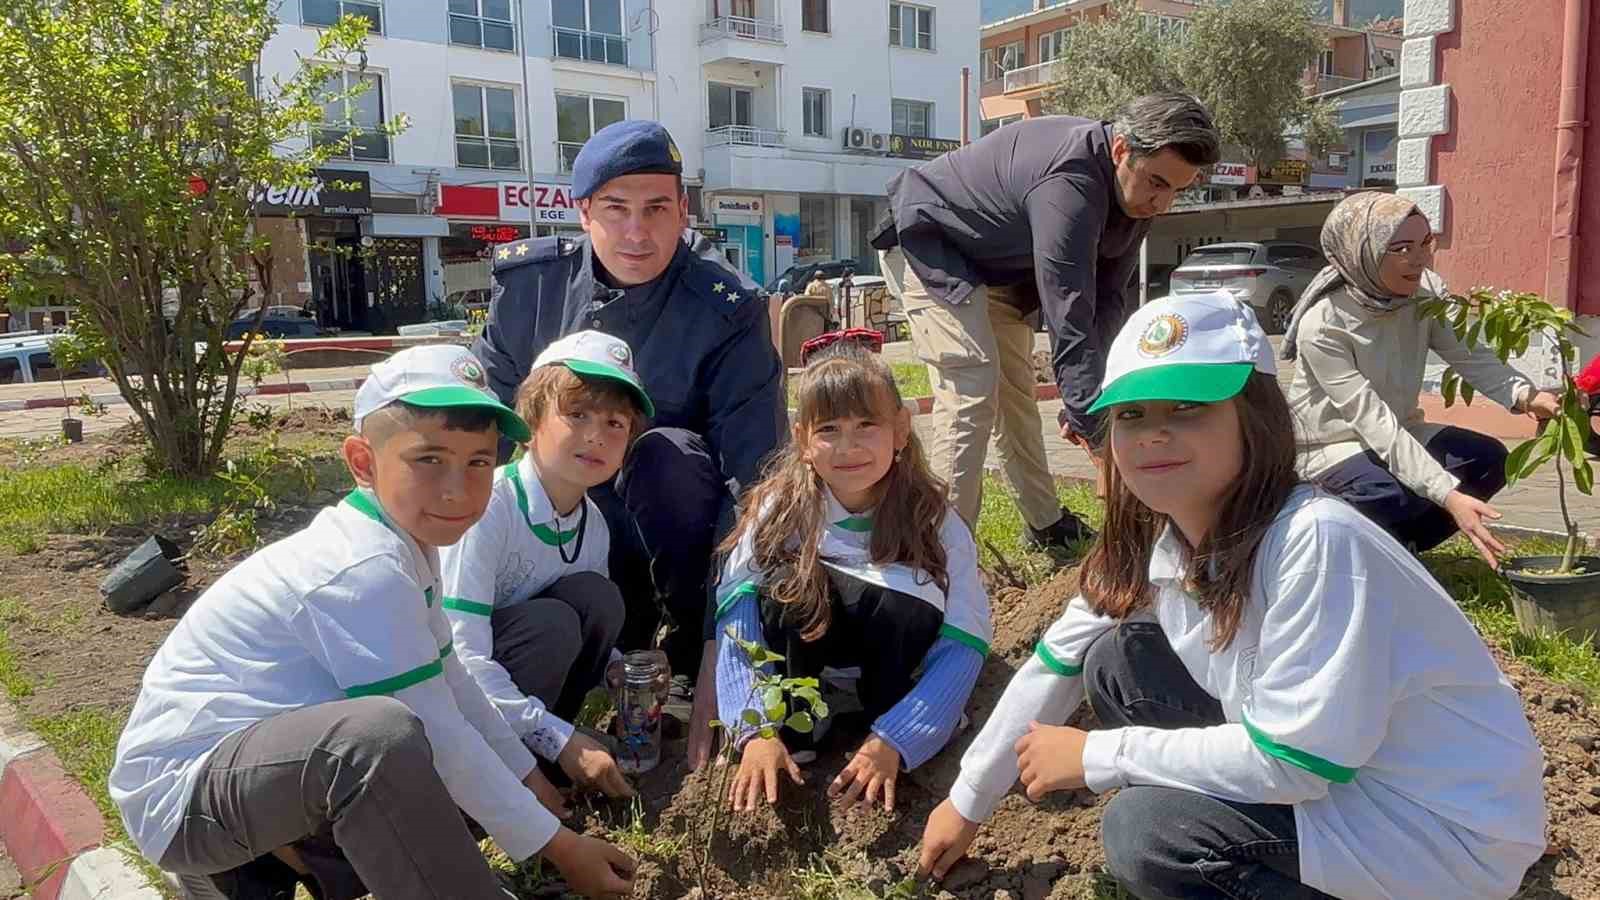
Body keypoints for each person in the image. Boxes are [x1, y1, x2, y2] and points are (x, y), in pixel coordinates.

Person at [917, 293, 1546, 900]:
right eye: (1132, 414)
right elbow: (1053, 664)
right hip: (1344, 770)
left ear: (1257, 417)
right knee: (1116, 664)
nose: (1153, 435)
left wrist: (1100, 755)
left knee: (1148, 831)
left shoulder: (1316, 541)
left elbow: (1299, 763)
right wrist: (966, 800)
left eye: (1188, 407)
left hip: (1439, 831)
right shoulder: (1163, 534)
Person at [109, 345, 636, 900]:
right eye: (429, 459)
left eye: (478, 461)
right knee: (378, 739)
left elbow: (455, 681)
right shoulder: (363, 565)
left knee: (402, 746)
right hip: (185, 799)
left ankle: (297, 861)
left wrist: (528, 785)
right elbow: (438, 728)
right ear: (363, 462)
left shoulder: (408, 544)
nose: (457, 488)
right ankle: (254, 863)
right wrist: (559, 847)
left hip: (261, 767)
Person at [472, 120, 785, 769]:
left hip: (669, 544)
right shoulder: (532, 288)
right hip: (544, 548)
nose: (638, 233)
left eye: (657, 209)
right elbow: (476, 425)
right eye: (616, 210)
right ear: (583, 211)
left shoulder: (725, 309)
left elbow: (753, 485)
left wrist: (721, 651)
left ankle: (661, 648)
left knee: (664, 453)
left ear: (683, 210)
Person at [872, 93, 1221, 549]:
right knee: (974, 378)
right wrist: (1098, 439)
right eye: (1157, 183)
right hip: (928, 239)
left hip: (995, 265)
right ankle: (940, 547)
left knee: (1015, 388)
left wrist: (1097, 401)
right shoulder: (1070, 184)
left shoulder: (1134, 197)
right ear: (1121, 151)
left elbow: (1107, 304)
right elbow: (1070, 316)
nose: (1163, 202)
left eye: (1178, 189)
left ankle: (1045, 524)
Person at [714, 343, 991, 813]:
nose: (849, 447)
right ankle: (797, 728)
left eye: (867, 426)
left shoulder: (935, 521)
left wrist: (900, 737)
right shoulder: (778, 511)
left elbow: (965, 640)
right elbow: (737, 616)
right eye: (829, 430)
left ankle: (880, 723)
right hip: (803, 669)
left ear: (900, 429)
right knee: (785, 587)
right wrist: (753, 727)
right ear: (802, 439)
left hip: (896, 679)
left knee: (908, 597)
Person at [1281, 193, 1561, 567]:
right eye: (1400, 248)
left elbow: (1468, 354)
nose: (1419, 259)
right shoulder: (1324, 324)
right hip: (1331, 446)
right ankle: (1339, 550)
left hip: (1402, 427)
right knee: (1388, 492)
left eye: (1425, 243)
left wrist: (1526, 395)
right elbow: (1373, 422)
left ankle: (1401, 550)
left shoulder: (1423, 295)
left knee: (1489, 459)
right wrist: (1447, 495)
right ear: (1361, 252)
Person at [440, 331, 655, 798]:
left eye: (616, 423)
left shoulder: (591, 523)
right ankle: (499, 770)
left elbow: (590, 630)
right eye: (577, 415)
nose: (596, 435)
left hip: (517, 688)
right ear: (532, 419)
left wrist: (619, 672)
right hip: (448, 698)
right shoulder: (489, 508)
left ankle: (542, 752)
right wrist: (561, 740)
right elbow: (460, 653)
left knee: (598, 599)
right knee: (552, 623)